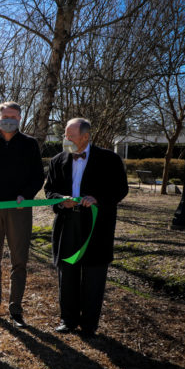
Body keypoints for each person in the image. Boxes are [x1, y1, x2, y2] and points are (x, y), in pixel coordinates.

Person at [44, 118, 128, 337]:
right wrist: (61, 199)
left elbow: (120, 189)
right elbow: (49, 191)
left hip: (96, 225)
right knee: (67, 272)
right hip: (67, 223)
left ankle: (89, 324)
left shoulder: (109, 159)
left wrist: (97, 198)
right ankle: (68, 319)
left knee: (94, 274)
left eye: (70, 136)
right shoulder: (57, 160)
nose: (66, 139)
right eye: (65, 134)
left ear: (85, 137)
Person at [0, 101, 44, 327]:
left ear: (20, 118)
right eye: (5, 117)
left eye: (13, 116)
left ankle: (16, 311)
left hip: (19, 209)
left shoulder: (30, 144)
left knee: (19, 261)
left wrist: (26, 194)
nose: (9, 120)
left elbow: (38, 177)